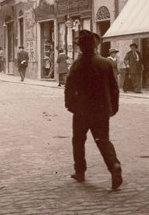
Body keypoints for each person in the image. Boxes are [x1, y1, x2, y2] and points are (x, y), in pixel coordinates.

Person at [64, 30, 122, 190]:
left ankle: (80, 171)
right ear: (95, 46)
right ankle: (114, 165)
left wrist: (70, 105)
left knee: (78, 140)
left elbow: (69, 87)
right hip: (101, 110)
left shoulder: (77, 65)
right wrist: (113, 108)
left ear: (81, 48)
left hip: (81, 110)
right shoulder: (105, 63)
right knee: (103, 140)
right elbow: (114, 88)